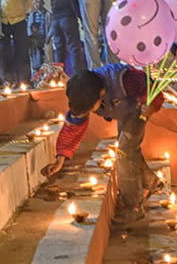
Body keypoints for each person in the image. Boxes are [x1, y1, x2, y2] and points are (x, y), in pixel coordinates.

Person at [43, 65, 164, 218]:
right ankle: (153, 183)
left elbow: (149, 86)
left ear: (101, 94)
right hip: (122, 112)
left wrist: (151, 105)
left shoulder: (124, 79)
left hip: (138, 110)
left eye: (91, 109)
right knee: (129, 150)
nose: (90, 112)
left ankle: (133, 207)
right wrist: (60, 159)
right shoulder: (82, 94)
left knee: (124, 151)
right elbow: (73, 128)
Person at [45, 0, 85, 76]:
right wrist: (81, 18)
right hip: (68, 18)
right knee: (74, 48)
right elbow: (73, 1)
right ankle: (77, 76)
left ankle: (59, 76)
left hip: (55, 20)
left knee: (59, 49)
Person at [28, 0, 50, 75]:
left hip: (44, 40)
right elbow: (29, 28)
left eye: (40, 2)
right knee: (34, 61)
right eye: (37, 2)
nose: (38, 4)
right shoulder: (32, 16)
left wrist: (48, 38)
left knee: (45, 61)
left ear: (43, 3)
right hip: (34, 41)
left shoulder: (47, 15)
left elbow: (50, 27)